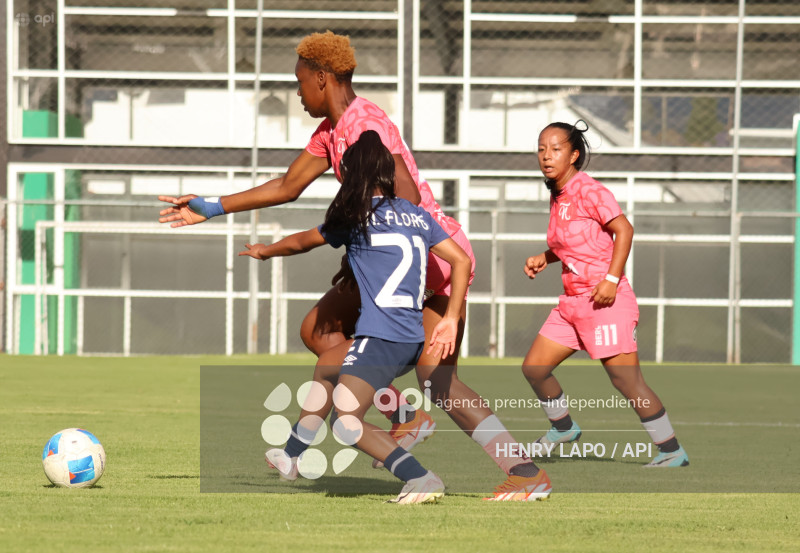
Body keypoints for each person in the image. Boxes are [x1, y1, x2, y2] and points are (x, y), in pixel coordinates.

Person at [159, 31, 549, 497]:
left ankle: (526, 475)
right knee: (318, 333)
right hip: (392, 257)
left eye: (300, 82)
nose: (298, 93)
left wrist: (370, 250)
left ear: (322, 79)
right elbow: (287, 185)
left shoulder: (368, 126)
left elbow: (404, 198)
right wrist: (212, 206)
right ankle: (403, 417)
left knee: (438, 380)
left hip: (434, 263)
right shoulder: (331, 132)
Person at [521, 120, 689, 468]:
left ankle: (671, 450)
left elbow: (623, 229)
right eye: (541, 148)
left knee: (626, 381)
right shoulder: (557, 192)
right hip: (573, 303)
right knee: (535, 369)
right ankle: (563, 429)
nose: (546, 156)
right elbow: (577, 242)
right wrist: (546, 257)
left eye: (556, 149)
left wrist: (612, 279)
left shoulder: (589, 190)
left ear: (574, 155)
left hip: (605, 301)